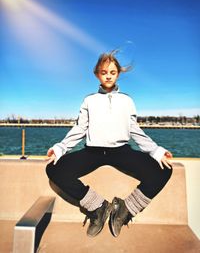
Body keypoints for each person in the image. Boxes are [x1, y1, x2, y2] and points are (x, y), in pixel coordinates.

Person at [46, 51, 173, 238]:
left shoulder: (127, 100)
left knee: (165, 170)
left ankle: (124, 210)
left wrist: (156, 151)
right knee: (54, 170)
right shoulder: (89, 100)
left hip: (121, 152)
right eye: (104, 72)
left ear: (118, 74)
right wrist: (60, 148)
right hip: (92, 152)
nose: (108, 75)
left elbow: (135, 131)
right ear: (97, 73)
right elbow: (79, 129)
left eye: (112, 72)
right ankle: (98, 207)